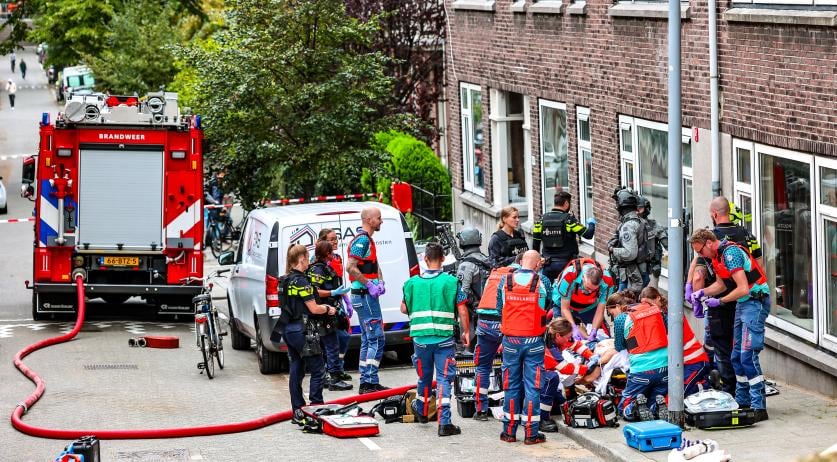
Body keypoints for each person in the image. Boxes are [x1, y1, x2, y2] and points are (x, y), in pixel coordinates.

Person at [689, 229, 770, 422]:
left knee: (747, 356)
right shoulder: (717, 257)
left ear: (709, 243)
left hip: (755, 302)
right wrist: (702, 293)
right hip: (744, 304)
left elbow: (743, 288)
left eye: (700, 251)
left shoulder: (730, 253)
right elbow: (722, 285)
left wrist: (720, 301)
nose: (701, 256)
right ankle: (742, 401)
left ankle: (759, 406)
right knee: (736, 356)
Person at [687, 196, 762, 395]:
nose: (701, 254)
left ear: (714, 214)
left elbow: (699, 275)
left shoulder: (712, 239)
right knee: (742, 349)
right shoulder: (747, 235)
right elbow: (758, 265)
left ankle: (729, 390)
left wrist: (695, 293)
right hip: (745, 301)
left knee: (721, 347)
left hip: (722, 303)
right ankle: (743, 392)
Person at [400, 242, 470, 437]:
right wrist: (466, 332)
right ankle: (444, 423)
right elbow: (462, 309)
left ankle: (422, 413)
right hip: (444, 339)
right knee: (443, 378)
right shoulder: (451, 282)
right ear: (443, 259)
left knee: (424, 377)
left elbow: (404, 308)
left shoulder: (411, 283)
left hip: (420, 340)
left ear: (425, 259)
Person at [497, 250, 550, 445]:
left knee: (510, 386)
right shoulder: (542, 281)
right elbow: (547, 306)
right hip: (534, 341)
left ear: (520, 262)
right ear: (537, 264)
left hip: (511, 341)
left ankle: (509, 432)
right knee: (532, 387)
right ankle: (531, 434)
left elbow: (499, 309)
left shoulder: (505, 281)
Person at [281, 244, 335, 426]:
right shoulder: (302, 282)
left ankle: (297, 410)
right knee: (318, 369)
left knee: (296, 368)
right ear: (302, 258)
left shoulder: (284, 280)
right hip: (302, 330)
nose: (309, 262)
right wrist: (328, 308)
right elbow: (313, 308)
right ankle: (316, 409)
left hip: (287, 329)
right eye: (307, 258)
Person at [470, 254, 522, 421]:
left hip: (484, 322)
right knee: (510, 367)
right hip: (504, 323)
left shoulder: (494, 274)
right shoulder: (522, 276)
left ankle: (480, 410)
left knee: (482, 367)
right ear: (522, 263)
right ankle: (510, 409)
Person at [347, 206, 389, 393]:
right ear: (369, 220)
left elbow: (374, 264)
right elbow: (351, 267)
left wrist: (380, 281)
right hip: (364, 296)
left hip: (364, 296)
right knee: (377, 339)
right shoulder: (362, 240)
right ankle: (370, 381)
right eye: (379, 218)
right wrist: (369, 284)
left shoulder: (368, 240)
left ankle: (366, 381)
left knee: (367, 339)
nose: (381, 221)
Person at [610, 292, 669, 422]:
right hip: (665, 368)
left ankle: (634, 406)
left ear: (619, 306)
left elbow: (619, 346)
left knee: (622, 409)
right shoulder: (657, 312)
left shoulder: (622, 319)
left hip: (642, 371)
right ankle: (655, 407)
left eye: (612, 314)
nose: (613, 317)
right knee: (654, 399)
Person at [640, 287, 709, 397]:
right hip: (679, 364)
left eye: (648, 304)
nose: (647, 308)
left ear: (657, 298)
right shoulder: (659, 316)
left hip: (695, 362)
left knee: (677, 395)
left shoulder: (671, 316)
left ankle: (704, 385)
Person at [540, 317, 601, 432]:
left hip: (543, 371)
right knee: (552, 378)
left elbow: (577, 345)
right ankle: (541, 419)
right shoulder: (548, 346)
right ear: (558, 336)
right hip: (534, 373)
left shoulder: (557, 337)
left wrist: (591, 356)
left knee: (561, 406)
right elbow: (564, 368)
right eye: (568, 337)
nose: (569, 339)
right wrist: (586, 369)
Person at [307, 239, 353, 391]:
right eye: (331, 251)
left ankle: (329, 376)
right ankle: (334, 379)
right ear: (327, 253)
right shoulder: (318, 270)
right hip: (323, 312)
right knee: (332, 345)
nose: (333, 253)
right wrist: (332, 292)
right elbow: (314, 291)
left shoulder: (324, 268)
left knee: (330, 345)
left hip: (329, 310)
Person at [533, 191, 596, 280]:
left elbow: (535, 244)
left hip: (547, 265)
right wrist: (591, 224)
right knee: (566, 288)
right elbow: (588, 235)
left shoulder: (541, 220)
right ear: (566, 203)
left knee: (547, 286)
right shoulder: (569, 220)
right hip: (567, 265)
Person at [319, 228, 353, 384]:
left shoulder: (337, 258)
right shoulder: (317, 261)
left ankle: (339, 368)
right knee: (329, 340)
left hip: (338, 302)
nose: (335, 242)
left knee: (344, 336)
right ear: (323, 242)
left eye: (336, 238)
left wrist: (346, 299)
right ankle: (329, 371)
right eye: (331, 239)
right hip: (325, 303)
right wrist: (332, 293)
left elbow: (338, 282)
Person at [552, 257, 615, 342]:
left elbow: (600, 311)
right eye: (588, 288)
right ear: (583, 277)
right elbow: (565, 309)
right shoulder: (569, 275)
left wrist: (594, 330)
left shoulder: (607, 282)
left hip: (588, 306)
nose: (589, 291)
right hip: (563, 303)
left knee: (600, 334)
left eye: (594, 289)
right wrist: (573, 327)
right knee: (562, 335)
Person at [608, 187, 649, 292]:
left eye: (617, 202)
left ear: (621, 204)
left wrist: (612, 249)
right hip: (637, 272)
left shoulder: (629, 226)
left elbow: (630, 253)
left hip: (631, 277)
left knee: (621, 301)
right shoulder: (639, 220)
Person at [637, 196, 667, 288]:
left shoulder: (653, 225)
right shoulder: (630, 225)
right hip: (634, 267)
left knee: (651, 293)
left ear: (646, 209)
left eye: (640, 208)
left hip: (651, 266)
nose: (637, 211)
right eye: (635, 208)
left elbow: (666, 244)